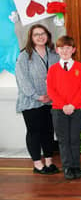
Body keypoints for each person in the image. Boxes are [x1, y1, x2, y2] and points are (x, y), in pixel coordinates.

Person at [15, 24, 60, 174]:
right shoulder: (24, 56)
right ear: (31, 38)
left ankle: (48, 161)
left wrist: (51, 96)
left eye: (43, 33)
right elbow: (22, 80)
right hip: (31, 101)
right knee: (34, 132)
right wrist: (37, 96)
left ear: (47, 35)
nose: (40, 36)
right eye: (36, 34)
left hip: (50, 100)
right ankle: (37, 164)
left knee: (48, 131)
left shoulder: (54, 54)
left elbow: (59, 77)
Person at [47, 35, 81, 180]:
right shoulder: (53, 69)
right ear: (57, 50)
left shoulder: (80, 67)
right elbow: (51, 90)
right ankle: (67, 167)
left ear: (73, 50)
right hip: (59, 110)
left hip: (77, 109)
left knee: (75, 138)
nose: (65, 51)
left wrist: (72, 105)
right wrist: (64, 105)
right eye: (62, 48)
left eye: (68, 48)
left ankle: (76, 165)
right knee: (63, 140)